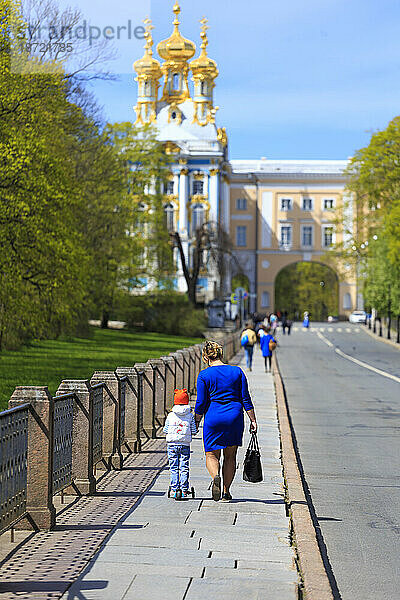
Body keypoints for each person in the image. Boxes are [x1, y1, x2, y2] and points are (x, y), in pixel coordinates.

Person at [195, 340, 257, 502]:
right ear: (221, 354)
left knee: (211, 454)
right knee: (230, 456)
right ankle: (226, 492)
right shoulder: (237, 372)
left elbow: (201, 403)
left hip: (214, 418)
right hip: (234, 417)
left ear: (205, 357)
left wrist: (196, 421)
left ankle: (216, 476)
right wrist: (253, 420)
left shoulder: (204, 375)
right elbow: (246, 398)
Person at [163, 389, 197, 500]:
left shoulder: (171, 415)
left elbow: (165, 429)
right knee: (184, 467)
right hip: (185, 444)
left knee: (173, 467)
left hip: (172, 444)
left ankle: (174, 489)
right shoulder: (190, 415)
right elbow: (193, 430)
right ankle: (184, 489)